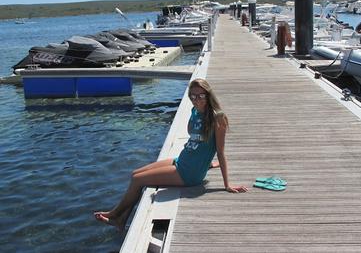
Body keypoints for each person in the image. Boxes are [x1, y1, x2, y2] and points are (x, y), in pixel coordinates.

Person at [94, 78, 247, 230]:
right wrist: (208, 163)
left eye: (201, 96)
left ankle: (114, 214)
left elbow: (220, 151)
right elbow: (198, 144)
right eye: (193, 96)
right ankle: (121, 220)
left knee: (137, 180)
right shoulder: (194, 111)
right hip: (182, 160)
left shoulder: (218, 118)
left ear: (208, 95)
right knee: (135, 173)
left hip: (189, 173)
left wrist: (227, 185)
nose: (196, 100)